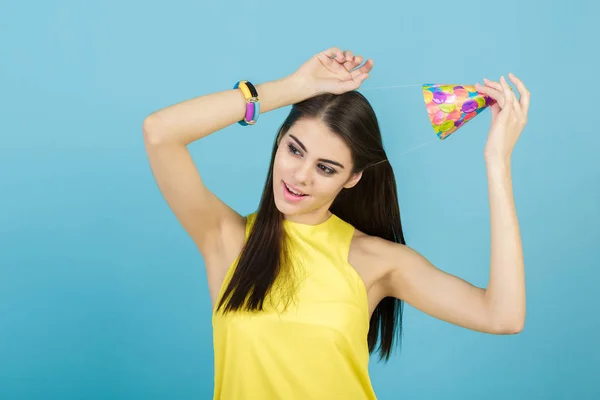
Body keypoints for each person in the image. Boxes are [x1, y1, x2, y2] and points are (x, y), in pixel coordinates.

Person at [142, 47, 530, 399]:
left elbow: (503, 315)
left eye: (326, 168)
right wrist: (293, 88)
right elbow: (160, 133)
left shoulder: (377, 260)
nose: (300, 177)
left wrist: (497, 163)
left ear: (352, 178)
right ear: (280, 140)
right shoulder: (226, 239)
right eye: (295, 150)